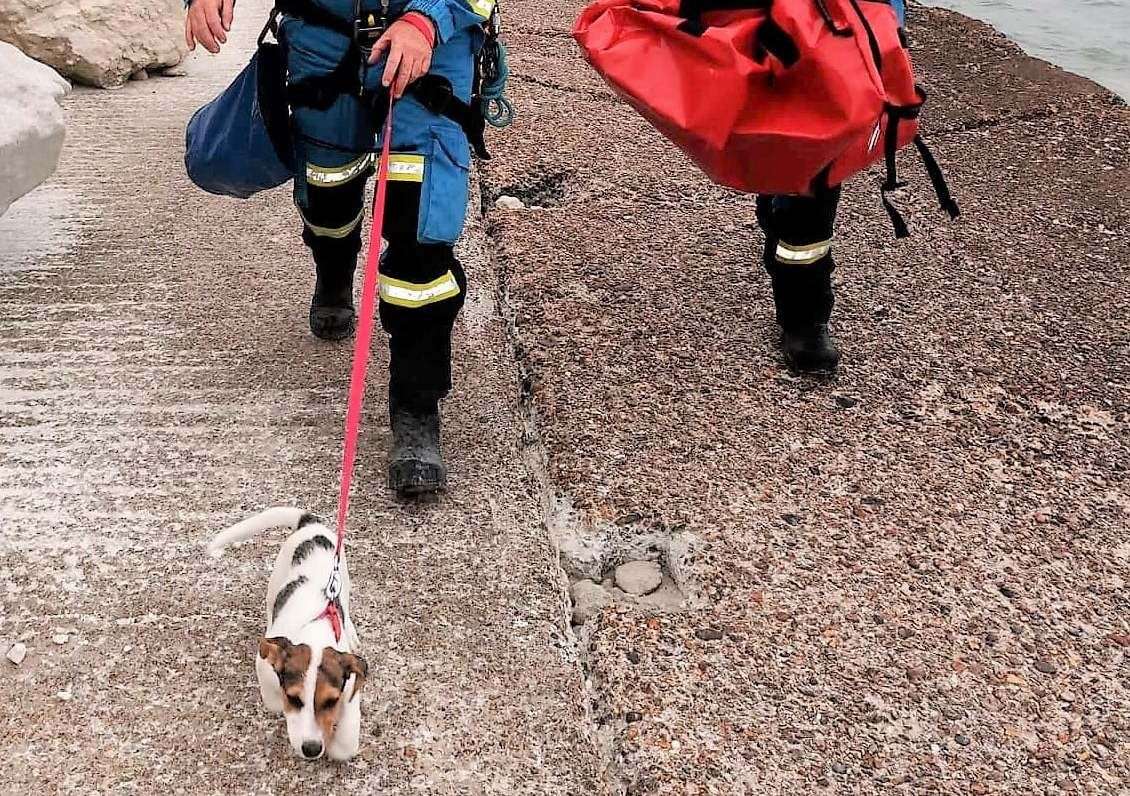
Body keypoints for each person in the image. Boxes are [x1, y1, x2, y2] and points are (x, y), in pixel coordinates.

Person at [186, 0, 494, 496]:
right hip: (323, 32)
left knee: (421, 234)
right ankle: (333, 274)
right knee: (328, 191)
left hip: (434, 48)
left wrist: (430, 19)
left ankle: (415, 406)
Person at [755, 0, 906, 375]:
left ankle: (803, 315)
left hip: (861, 17)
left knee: (824, 140)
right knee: (782, 118)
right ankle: (802, 315)